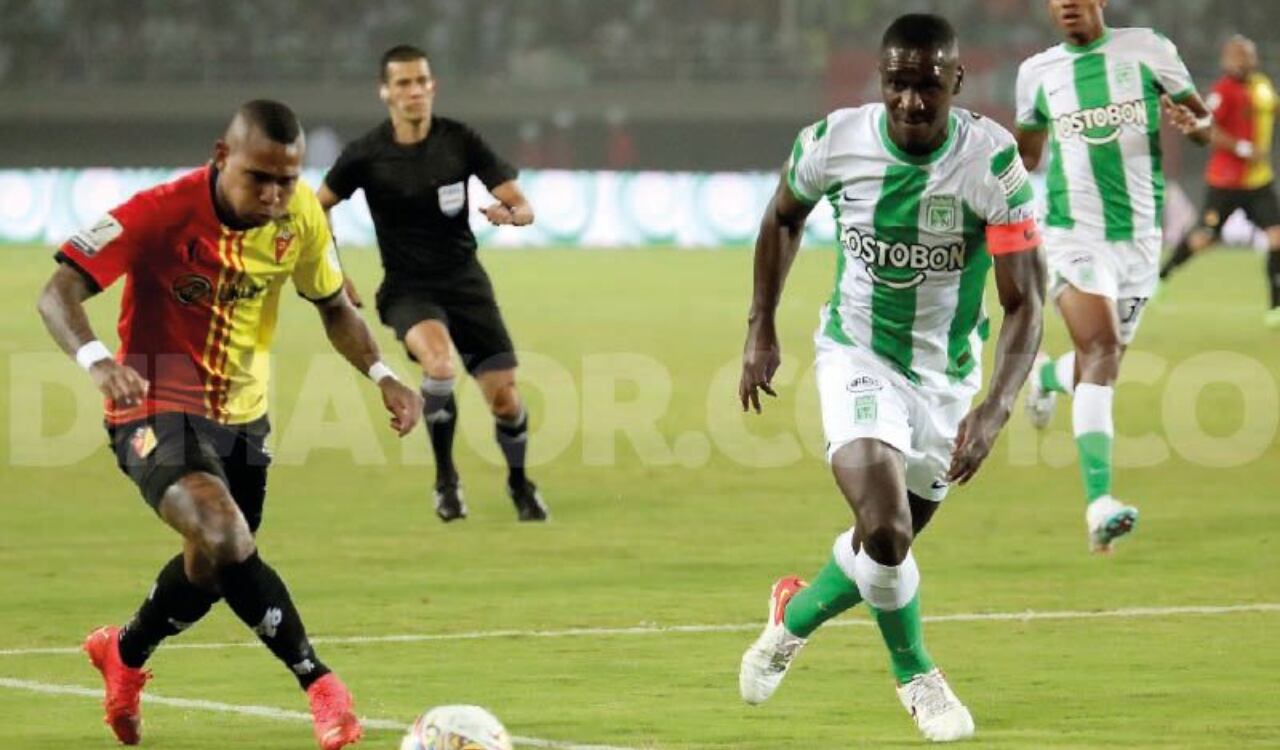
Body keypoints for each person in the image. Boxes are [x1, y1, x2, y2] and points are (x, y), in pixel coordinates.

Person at [36, 100, 423, 750]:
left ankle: (123, 653)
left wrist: (383, 374)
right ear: (222, 158)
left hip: (242, 417)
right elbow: (58, 292)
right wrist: (99, 362)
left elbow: (333, 307)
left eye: (288, 179)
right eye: (260, 178)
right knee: (224, 532)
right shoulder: (159, 211)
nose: (275, 194)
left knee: (214, 565)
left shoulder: (299, 217)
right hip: (151, 405)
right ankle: (322, 685)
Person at [736, 14, 1044, 743]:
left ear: (956, 81)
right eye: (898, 84)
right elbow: (783, 216)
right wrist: (761, 325)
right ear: (882, 81)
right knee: (886, 528)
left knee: (882, 549)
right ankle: (918, 675)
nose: (910, 101)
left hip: (947, 378)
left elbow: (1025, 301)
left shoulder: (992, 162)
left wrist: (996, 408)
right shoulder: (833, 141)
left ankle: (794, 614)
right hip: (858, 355)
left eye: (927, 86)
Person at [318, 45, 547, 523]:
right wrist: (334, 274)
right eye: (403, 83)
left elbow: (521, 203)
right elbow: (315, 209)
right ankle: (446, 481)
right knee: (439, 366)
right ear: (386, 92)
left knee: (505, 398)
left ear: (432, 86)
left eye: (421, 81)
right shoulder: (365, 154)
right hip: (408, 289)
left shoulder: (459, 141)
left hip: (466, 284)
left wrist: (514, 215)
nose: (414, 90)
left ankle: (520, 483)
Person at [1017, 0, 1212, 553]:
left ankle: (1047, 377)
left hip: (1141, 239)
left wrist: (1194, 123)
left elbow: (1203, 124)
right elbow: (1026, 156)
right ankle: (1100, 503)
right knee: (1101, 349)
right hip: (1072, 233)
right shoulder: (1037, 73)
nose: (1068, 5)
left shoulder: (1148, 50)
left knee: (1102, 361)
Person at [1159, 34, 1280, 327]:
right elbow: (1208, 127)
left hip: (1259, 182)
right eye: (1237, 55)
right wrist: (1241, 147)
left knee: (1277, 237)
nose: (1242, 60)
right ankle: (1162, 275)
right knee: (1204, 238)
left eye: (1246, 55)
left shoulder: (1263, 87)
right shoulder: (1222, 91)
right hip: (1225, 182)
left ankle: (1276, 306)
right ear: (1226, 60)